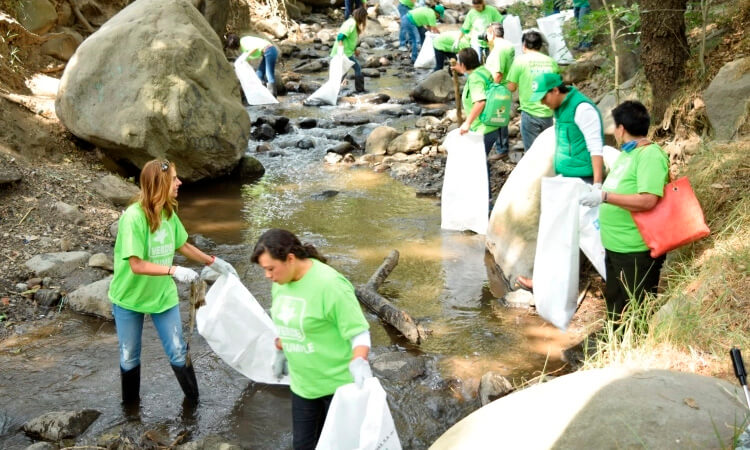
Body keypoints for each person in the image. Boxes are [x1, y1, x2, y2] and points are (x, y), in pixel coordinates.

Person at [109, 159, 239, 409]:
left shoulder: (168, 212)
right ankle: (131, 413)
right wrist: (174, 269)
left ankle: (194, 407)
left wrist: (214, 262)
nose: (179, 182)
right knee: (129, 357)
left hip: (161, 296)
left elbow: (182, 244)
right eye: (174, 179)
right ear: (160, 184)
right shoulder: (133, 218)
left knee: (179, 351)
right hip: (129, 297)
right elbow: (136, 264)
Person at [251, 229, 372, 450]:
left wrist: (360, 361)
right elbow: (291, 323)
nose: (267, 275)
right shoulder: (281, 282)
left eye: (270, 268)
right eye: (264, 270)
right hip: (303, 386)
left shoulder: (330, 285)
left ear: (290, 258)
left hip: (337, 388)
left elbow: (359, 332)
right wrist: (281, 348)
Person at [579, 101, 669, 321]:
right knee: (617, 305)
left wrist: (605, 196)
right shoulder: (627, 155)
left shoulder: (649, 156)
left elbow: (648, 200)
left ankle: (636, 348)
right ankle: (615, 346)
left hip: (636, 250)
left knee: (637, 308)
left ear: (620, 129)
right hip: (616, 247)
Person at [531, 72, 604, 185]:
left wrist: (597, 185)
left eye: (544, 97)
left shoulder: (582, 109)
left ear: (555, 90)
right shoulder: (560, 109)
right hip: (566, 175)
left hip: (584, 178)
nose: (542, 102)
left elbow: (595, 146)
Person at [452, 47, 500, 202]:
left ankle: (484, 202)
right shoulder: (483, 71)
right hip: (491, 125)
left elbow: (480, 102)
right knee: (478, 163)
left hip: (482, 128)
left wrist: (467, 123)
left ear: (465, 65)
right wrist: (461, 70)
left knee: (476, 165)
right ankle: (482, 199)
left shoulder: (475, 79)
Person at [505, 30, 560, 151]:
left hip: (530, 112)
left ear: (524, 45)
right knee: (548, 148)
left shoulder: (520, 61)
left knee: (532, 151)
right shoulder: (551, 62)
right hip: (549, 113)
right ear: (540, 46)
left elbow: (511, 87)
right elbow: (557, 87)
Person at [484, 22, 515, 157]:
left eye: (487, 33)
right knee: (501, 117)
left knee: (498, 118)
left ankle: (501, 148)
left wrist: (490, 90)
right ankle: (502, 146)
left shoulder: (499, 49)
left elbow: (498, 73)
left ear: (491, 32)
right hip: (506, 85)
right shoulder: (508, 45)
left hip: (498, 87)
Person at [333, 7, 368, 93]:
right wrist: (340, 52)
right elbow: (340, 36)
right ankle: (360, 90)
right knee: (357, 68)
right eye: (365, 17)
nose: (365, 20)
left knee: (344, 71)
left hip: (346, 52)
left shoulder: (353, 23)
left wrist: (355, 50)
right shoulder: (351, 24)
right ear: (361, 16)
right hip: (344, 53)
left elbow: (350, 39)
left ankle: (335, 90)